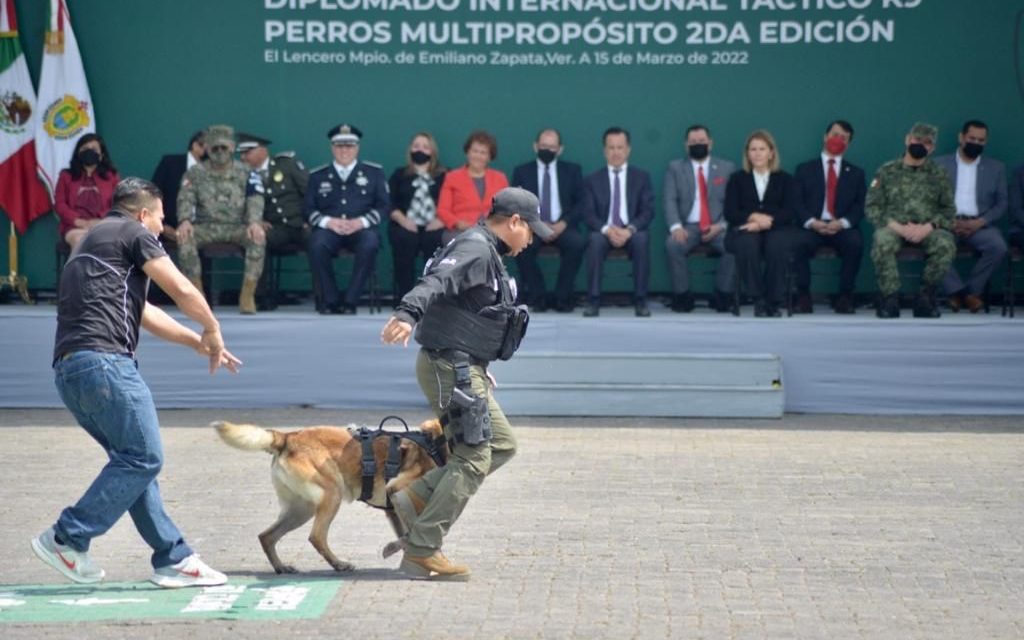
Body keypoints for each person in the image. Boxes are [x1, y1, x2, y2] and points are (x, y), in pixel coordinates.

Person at [32, 177, 241, 588]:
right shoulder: (133, 231)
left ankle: (173, 559)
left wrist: (195, 342)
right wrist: (213, 327)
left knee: (134, 461)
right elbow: (179, 287)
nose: (163, 227)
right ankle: (67, 537)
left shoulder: (96, 240)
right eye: (161, 218)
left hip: (71, 372)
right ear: (143, 214)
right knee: (143, 459)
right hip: (107, 366)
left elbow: (143, 312)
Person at [381, 187, 553, 581]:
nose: (530, 240)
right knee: (474, 456)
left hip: (462, 363)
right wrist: (407, 314)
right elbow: (438, 282)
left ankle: (415, 498)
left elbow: (467, 307)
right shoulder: (476, 248)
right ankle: (422, 550)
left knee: (502, 444)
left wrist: (476, 360)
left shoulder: (485, 249)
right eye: (530, 230)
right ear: (514, 222)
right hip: (447, 366)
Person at [866, 122, 956, 319]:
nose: (921, 144)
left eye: (927, 142)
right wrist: (896, 227)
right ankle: (889, 298)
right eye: (917, 139)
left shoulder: (939, 174)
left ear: (932, 148)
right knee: (882, 242)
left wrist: (929, 227)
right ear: (907, 139)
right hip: (894, 227)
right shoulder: (886, 171)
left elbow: (949, 211)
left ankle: (925, 297)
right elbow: (872, 207)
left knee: (945, 244)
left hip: (927, 228)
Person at [176, 124, 266, 314]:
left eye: (223, 148)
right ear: (207, 149)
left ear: (232, 148)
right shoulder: (195, 173)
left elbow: (255, 198)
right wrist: (184, 220)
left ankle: (247, 295)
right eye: (214, 148)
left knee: (258, 238)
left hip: (238, 226)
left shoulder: (247, 172)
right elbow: (185, 197)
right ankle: (197, 298)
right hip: (205, 226)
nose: (219, 152)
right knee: (184, 238)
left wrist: (254, 222)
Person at [305, 123, 389, 315]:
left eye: (349, 146)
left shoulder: (373, 173)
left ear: (357, 147)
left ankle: (351, 300)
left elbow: (384, 206)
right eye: (339, 146)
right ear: (332, 147)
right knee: (317, 243)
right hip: (329, 230)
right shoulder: (318, 175)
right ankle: (331, 299)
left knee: (370, 242)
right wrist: (328, 222)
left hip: (360, 229)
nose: (344, 150)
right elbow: (308, 208)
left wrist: (362, 222)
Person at [791, 120, 867, 314]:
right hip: (812, 225)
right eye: (834, 134)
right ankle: (802, 296)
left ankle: (845, 296)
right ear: (825, 137)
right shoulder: (804, 169)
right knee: (798, 242)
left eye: (843, 138)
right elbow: (797, 203)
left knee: (855, 243)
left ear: (848, 144)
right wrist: (812, 222)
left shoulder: (857, 173)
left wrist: (842, 223)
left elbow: (860, 206)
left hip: (841, 227)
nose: (837, 140)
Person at [723, 130, 800, 317]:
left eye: (762, 149)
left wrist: (765, 223)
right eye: (753, 149)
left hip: (778, 229)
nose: (757, 153)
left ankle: (773, 301)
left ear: (771, 153)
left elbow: (790, 211)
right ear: (747, 154)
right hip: (745, 230)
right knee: (747, 243)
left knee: (778, 245)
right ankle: (758, 299)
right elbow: (731, 212)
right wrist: (753, 217)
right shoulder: (737, 179)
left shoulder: (785, 179)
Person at [580, 126, 655, 317]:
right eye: (611, 148)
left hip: (631, 231)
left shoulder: (642, 177)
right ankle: (594, 300)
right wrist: (607, 230)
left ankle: (640, 300)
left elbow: (648, 211)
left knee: (642, 239)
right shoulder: (592, 180)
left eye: (620, 147)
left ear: (628, 149)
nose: (615, 152)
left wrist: (629, 230)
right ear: (605, 151)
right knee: (594, 240)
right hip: (604, 231)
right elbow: (588, 214)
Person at [934, 120, 1008, 313]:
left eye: (980, 140)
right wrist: (947, 221)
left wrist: (980, 222)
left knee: (998, 246)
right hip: (947, 224)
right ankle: (958, 292)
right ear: (961, 137)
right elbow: (930, 200)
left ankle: (971, 292)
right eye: (971, 138)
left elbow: (1002, 204)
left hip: (980, 224)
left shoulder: (996, 168)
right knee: (935, 244)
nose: (976, 142)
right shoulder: (939, 164)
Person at [511, 127, 586, 312]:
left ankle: (563, 297)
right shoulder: (522, 171)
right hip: (533, 226)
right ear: (535, 146)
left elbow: (581, 203)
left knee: (577, 243)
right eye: (544, 146)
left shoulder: (572, 171)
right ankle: (538, 297)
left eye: (552, 147)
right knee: (521, 245)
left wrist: (563, 224)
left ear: (560, 149)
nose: (547, 150)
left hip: (562, 225)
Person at [663, 124, 736, 313]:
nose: (698, 144)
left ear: (710, 143)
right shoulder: (675, 168)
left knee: (735, 245)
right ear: (686, 145)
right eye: (693, 142)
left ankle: (722, 295)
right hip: (689, 226)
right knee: (673, 244)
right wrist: (676, 227)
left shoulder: (727, 168)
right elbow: (669, 199)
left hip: (717, 225)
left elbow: (733, 204)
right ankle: (682, 296)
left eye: (702, 141)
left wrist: (721, 226)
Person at [237, 132, 310, 311]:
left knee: (319, 243)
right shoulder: (241, 174)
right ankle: (261, 297)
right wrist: (255, 220)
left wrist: (310, 219)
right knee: (257, 239)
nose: (243, 156)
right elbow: (238, 203)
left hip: (301, 224)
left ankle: (325, 298)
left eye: (248, 151)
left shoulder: (285, 165)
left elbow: (309, 192)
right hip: (275, 228)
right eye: (242, 153)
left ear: (262, 150)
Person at [388, 132, 447, 303]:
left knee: (435, 243)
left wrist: (441, 219)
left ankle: (433, 298)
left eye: (425, 147)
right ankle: (406, 298)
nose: (419, 150)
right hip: (406, 224)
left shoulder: (444, 175)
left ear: (432, 152)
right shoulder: (399, 175)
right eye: (416, 146)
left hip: (434, 224)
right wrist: (403, 220)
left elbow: (452, 201)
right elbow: (389, 202)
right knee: (403, 241)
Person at [436, 130, 509, 244]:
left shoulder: (500, 178)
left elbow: (506, 208)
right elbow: (443, 210)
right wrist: (458, 223)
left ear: (489, 157)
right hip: (459, 231)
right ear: (467, 153)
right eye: (474, 151)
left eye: (483, 152)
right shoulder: (452, 177)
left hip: (491, 232)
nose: (478, 156)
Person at [54, 133, 120, 249]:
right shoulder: (66, 176)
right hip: (74, 226)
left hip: (104, 224)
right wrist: (78, 221)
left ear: (101, 155)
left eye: (94, 149)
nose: (89, 151)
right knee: (81, 240)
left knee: (104, 240)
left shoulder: (111, 177)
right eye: (84, 149)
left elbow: (118, 203)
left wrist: (100, 220)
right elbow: (60, 204)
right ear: (78, 153)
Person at [150, 130, 207, 249]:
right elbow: (152, 195)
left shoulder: (213, 170)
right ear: (196, 146)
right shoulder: (170, 164)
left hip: (203, 231)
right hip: (169, 228)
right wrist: (162, 225)